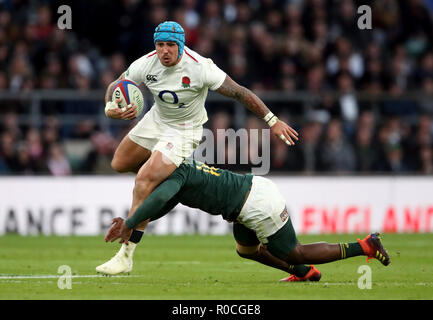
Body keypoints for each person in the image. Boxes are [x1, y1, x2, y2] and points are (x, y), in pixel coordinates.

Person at [96, 21, 299, 274]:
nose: (165, 51)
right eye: (160, 45)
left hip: (184, 129)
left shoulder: (200, 67)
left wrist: (273, 120)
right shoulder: (145, 63)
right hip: (157, 120)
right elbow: (115, 86)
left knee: (144, 180)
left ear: (181, 45)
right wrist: (110, 108)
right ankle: (167, 170)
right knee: (119, 164)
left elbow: (239, 92)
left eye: (171, 45)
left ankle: (126, 256)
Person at [97, 159, 391, 281]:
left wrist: (130, 220)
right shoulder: (176, 173)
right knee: (246, 250)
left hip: (256, 204)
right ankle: (305, 273)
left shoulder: (174, 174)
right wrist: (134, 222)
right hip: (247, 199)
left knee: (294, 250)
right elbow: (162, 205)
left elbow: (159, 200)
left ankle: (364, 245)